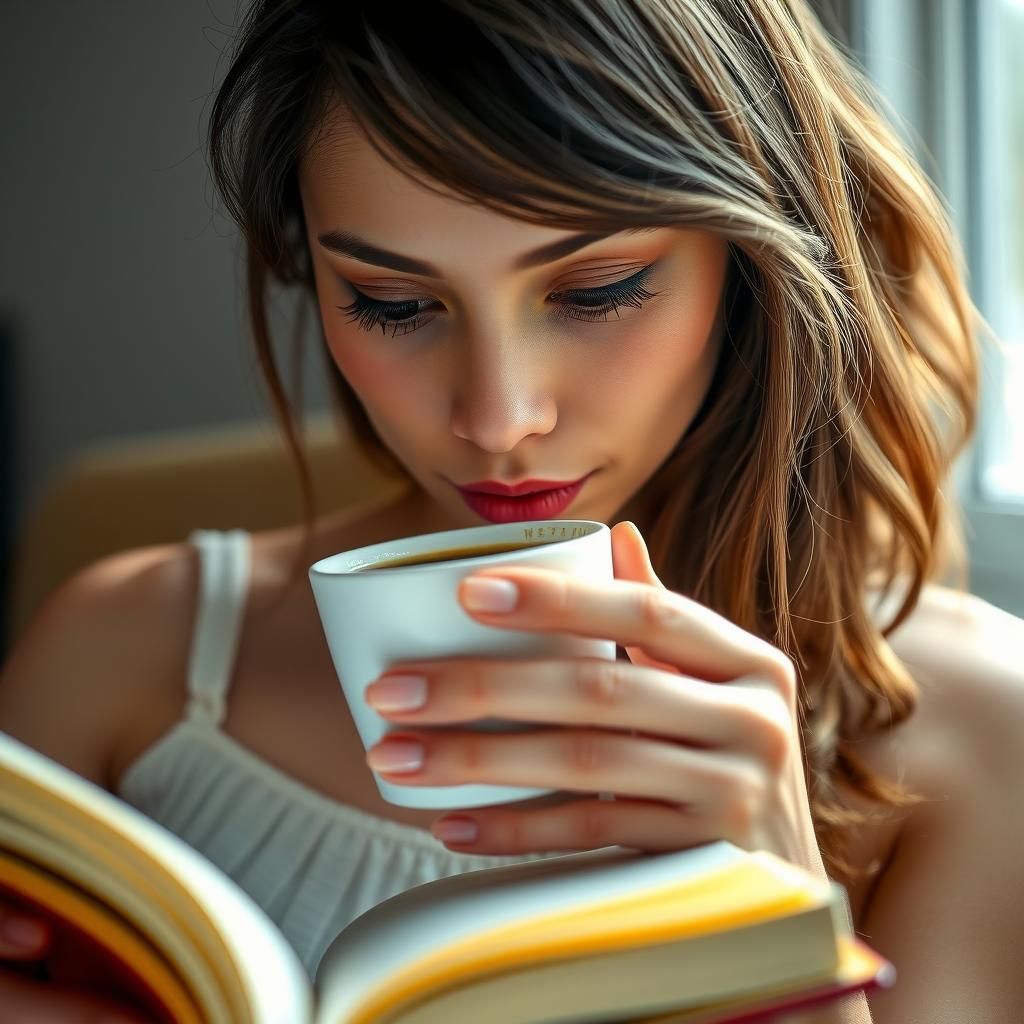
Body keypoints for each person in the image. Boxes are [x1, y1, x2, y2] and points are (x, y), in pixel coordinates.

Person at [1, 0, 1022, 1020]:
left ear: (751, 256)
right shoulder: (118, 658)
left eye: (599, 289)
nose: (498, 418)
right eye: (393, 303)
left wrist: (779, 946)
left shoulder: (979, 732)